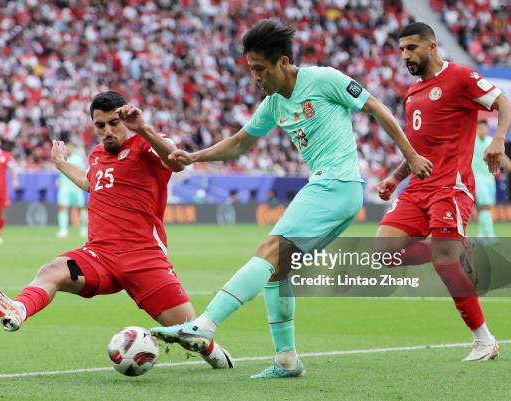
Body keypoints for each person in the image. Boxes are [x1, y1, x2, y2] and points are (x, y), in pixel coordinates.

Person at [151, 19, 432, 378]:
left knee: (269, 250)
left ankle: (203, 324)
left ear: (283, 63)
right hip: (329, 188)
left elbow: (377, 108)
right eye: (250, 69)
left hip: (337, 184)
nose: (255, 77)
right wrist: (194, 157)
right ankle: (287, 359)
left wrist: (409, 155)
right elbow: (239, 144)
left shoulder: (323, 79)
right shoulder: (273, 105)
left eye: (260, 69)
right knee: (277, 271)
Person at [0, 91, 232, 369]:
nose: (107, 131)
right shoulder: (97, 154)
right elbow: (90, 184)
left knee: (190, 332)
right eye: (100, 125)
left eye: (113, 123)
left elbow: (178, 161)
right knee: (52, 271)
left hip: (143, 258)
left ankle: (215, 355)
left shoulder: (146, 144)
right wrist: (61, 164)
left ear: (126, 119)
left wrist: (142, 129)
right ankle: (18, 309)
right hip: (98, 256)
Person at [376, 23, 511, 361]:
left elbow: (505, 104)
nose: (405, 55)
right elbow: (417, 149)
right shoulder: (412, 95)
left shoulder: (461, 78)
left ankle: (485, 340)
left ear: (432, 47)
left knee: (444, 264)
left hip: (450, 188)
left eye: (412, 48)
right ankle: (457, 249)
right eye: (402, 50)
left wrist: (498, 140)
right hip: (416, 189)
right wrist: (395, 178)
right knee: (383, 253)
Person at [472, 119, 511, 243]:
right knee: (485, 206)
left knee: (488, 208)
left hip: (490, 179)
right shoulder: (472, 141)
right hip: (477, 178)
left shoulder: (491, 141)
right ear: (477, 129)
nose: (482, 130)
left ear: (487, 129)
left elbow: (503, 158)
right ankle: (488, 235)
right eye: (480, 128)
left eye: (484, 128)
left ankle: (483, 235)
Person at [56, 141, 88, 238]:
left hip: (76, 187)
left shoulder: (78, 159)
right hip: (64, 187)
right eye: (67, 147)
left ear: (73, 148)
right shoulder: (61, 158)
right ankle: (63, 230)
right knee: (63, 207)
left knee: (80, 208)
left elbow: (84, 173)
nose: (68, 149)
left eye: (70, 147)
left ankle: (84, 229)